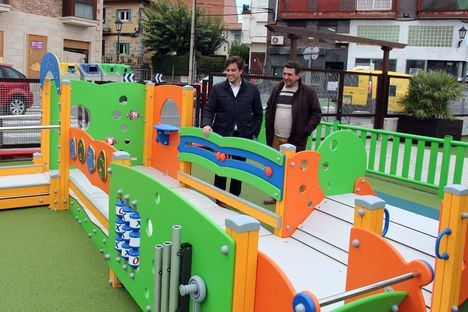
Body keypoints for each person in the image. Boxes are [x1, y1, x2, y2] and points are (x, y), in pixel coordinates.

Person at [201, 56, 263, 208]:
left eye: (233, 70)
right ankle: (219, 198)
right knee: (220, 166)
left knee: (238, 169)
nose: (230, 73)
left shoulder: (252, 90)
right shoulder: (218, 89)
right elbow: (209, 109)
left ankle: (234, 198)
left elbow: (258, 113)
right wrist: (206, 124)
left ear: (241, 71)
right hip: (222, 135)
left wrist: (254, 131)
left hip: (243, 136)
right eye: (227, 70)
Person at [263, 61, 322, 204]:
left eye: (290, 74)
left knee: (295, 171)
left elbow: (316, 114)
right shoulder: (277, 88)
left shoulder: (308, 92)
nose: (286, 77)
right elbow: (270, 107)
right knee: (277, 169)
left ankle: (293, 200)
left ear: (298, 76)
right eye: (284, 74)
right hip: (276, 137)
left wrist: (306, 130)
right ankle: (276, 196)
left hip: (295, 139)